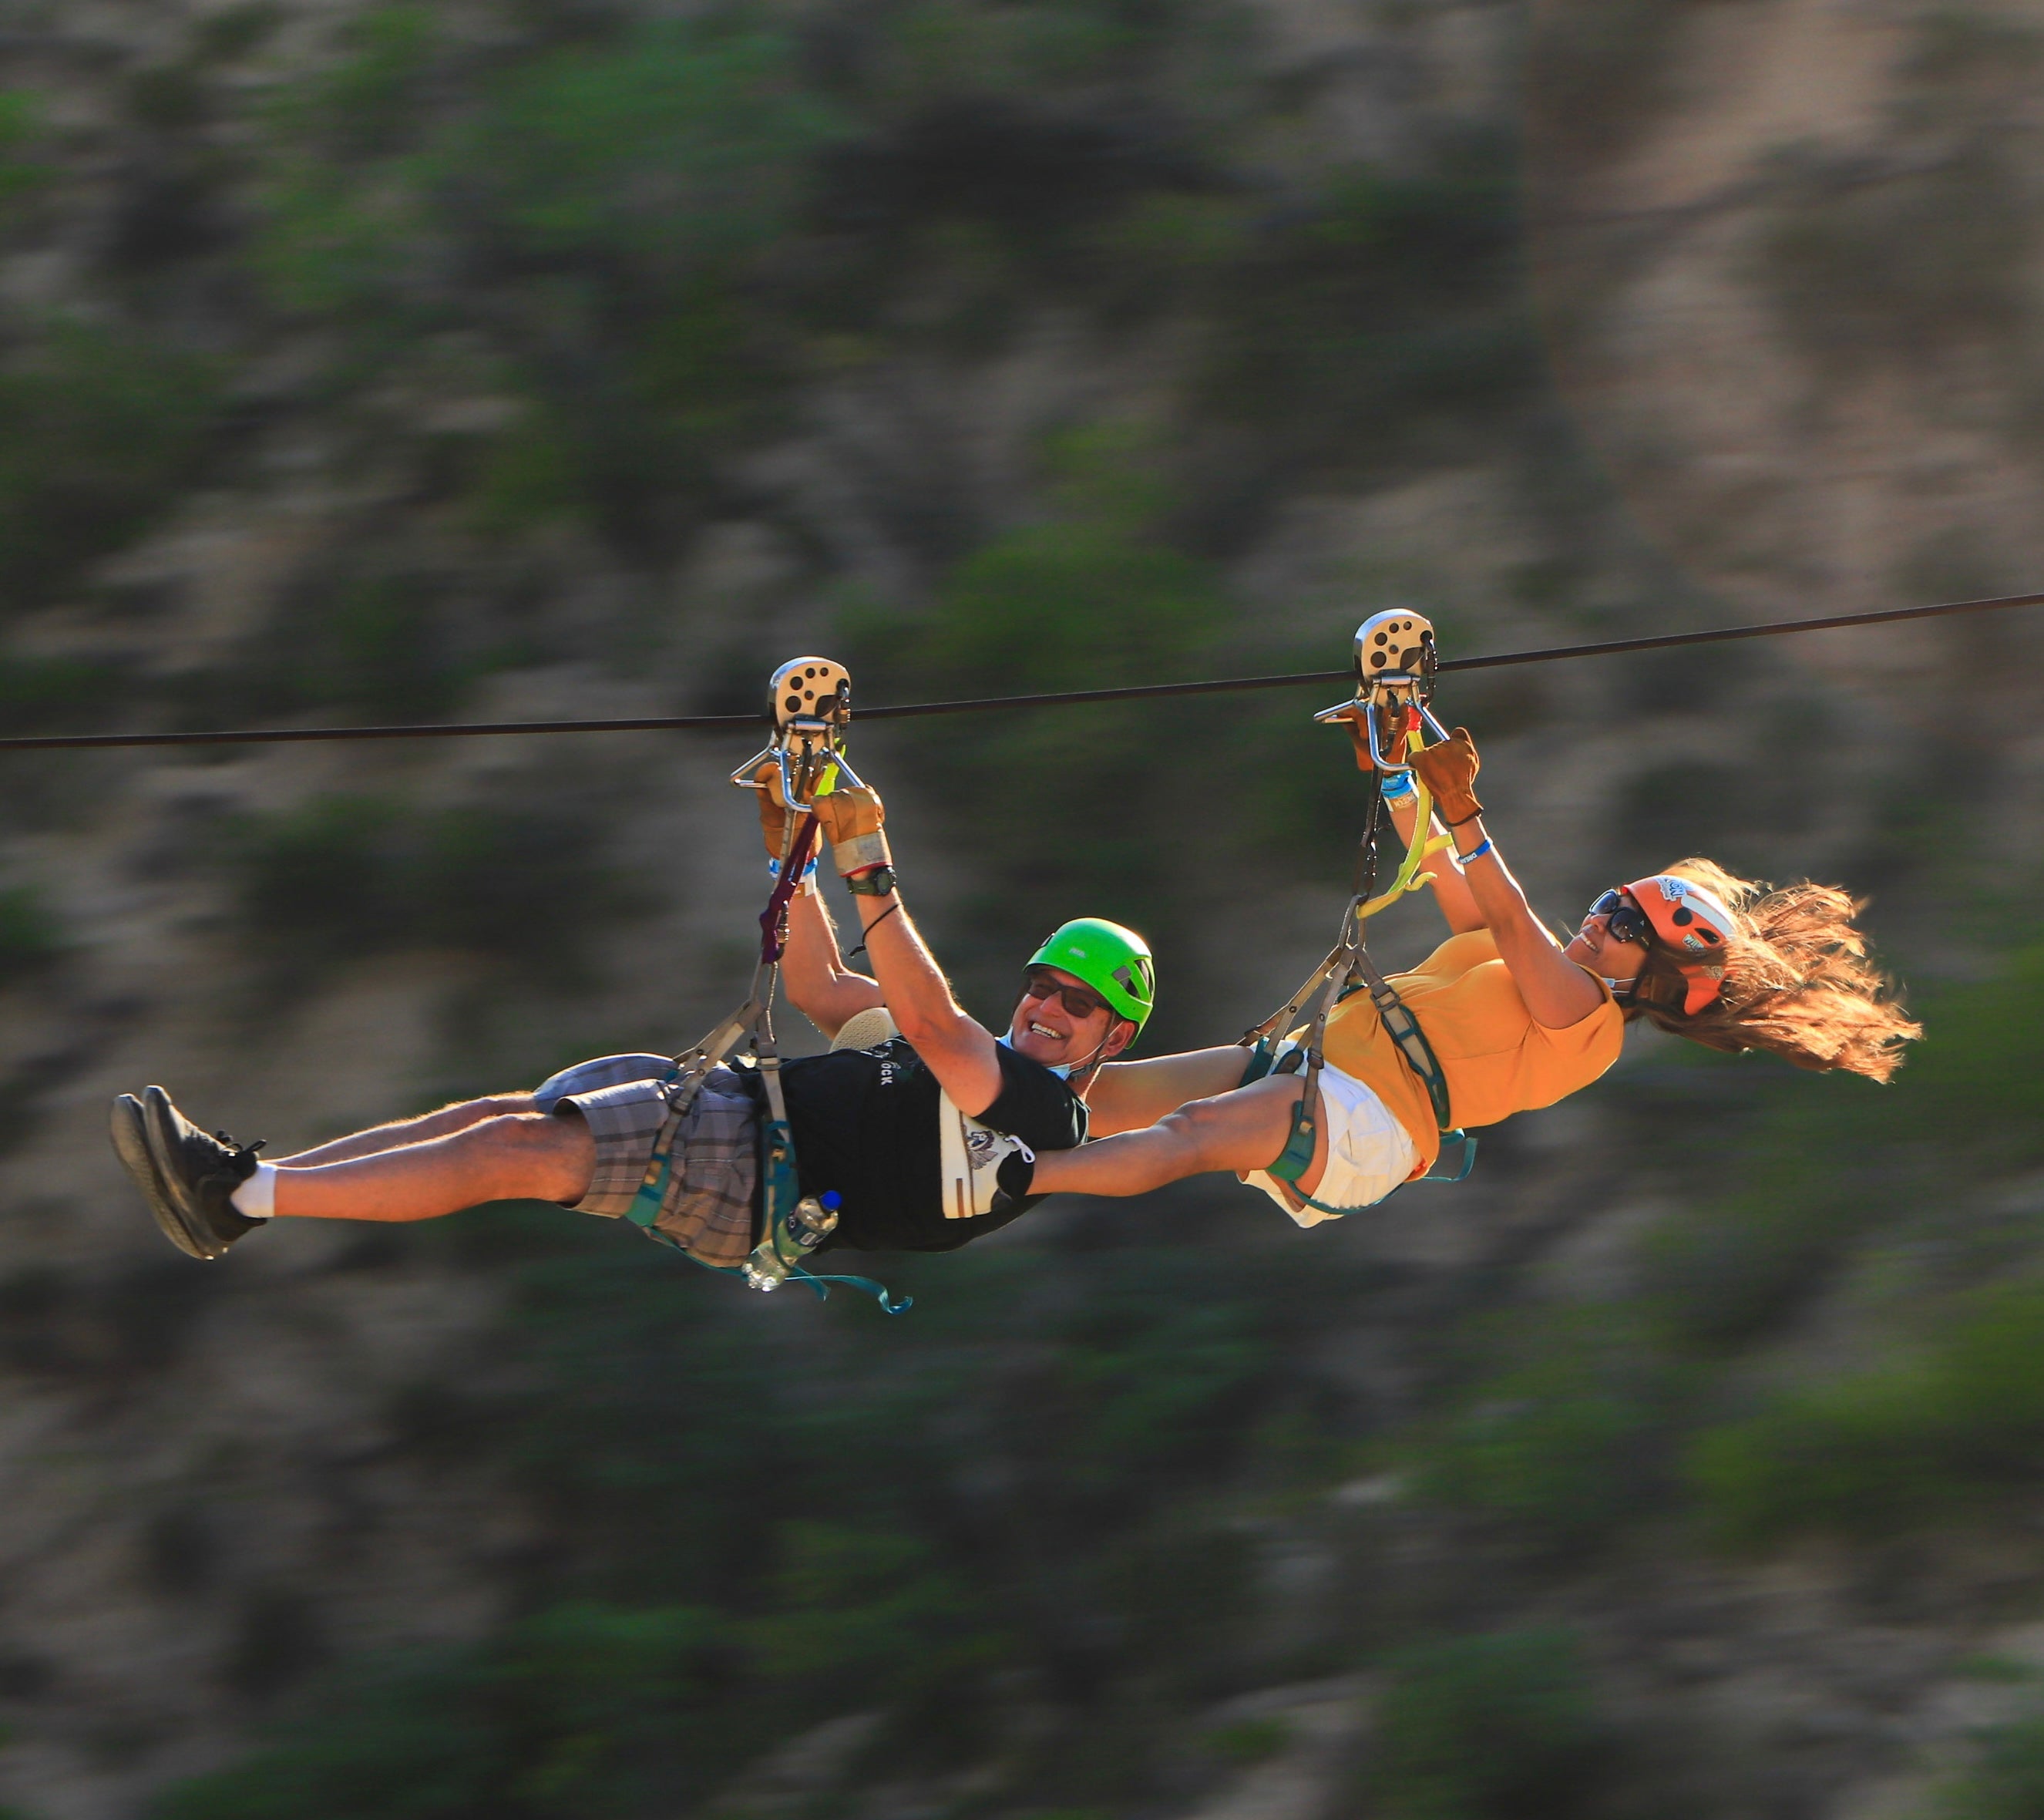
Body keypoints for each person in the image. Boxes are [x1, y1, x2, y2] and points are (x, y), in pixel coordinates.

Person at [109, 772, 1241, 1266]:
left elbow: (936, 1023)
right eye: (1043, 985)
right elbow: (815, 985)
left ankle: (241, 1195)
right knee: (499, 1114)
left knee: (516, 1153)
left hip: (753, 1175)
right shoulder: (954, 1059)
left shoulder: (1042, 1115)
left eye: (1077, 1003)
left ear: (1112, 1041)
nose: (1047, 1007)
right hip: (734, 1117)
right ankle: (248, 1188)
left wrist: (866, 854)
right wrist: (786, 834)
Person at [1025, 723, 1921, 1217]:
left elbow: (1508, 911)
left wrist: (1466, 809)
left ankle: (1014, 1176)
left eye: (1623, 927)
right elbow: (1438, 872)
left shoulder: (1587, 1022)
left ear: (1650, 979)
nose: (1599, 921)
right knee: (1105, 1094)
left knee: (1189, 1132)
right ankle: (955, 1102)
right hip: (1320, 1071)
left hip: (1367, 1120)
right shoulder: (1516, 956)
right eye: (1609, 902)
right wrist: (1397, 767)